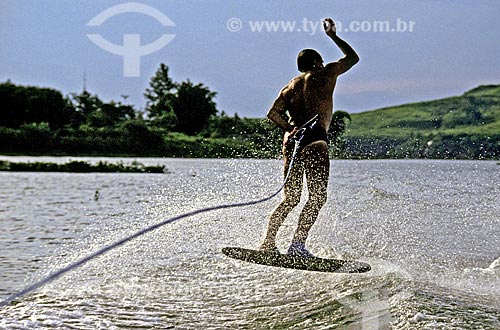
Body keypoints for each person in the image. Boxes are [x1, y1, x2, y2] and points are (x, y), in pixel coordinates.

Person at [260, 18, 359, 257]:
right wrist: (333, 36)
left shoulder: (288, 88)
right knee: (317, 196)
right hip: (314, 137)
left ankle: (268, 243)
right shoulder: (325, 73)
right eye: (321, 61)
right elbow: (353, 58)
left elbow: (272, 114)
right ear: (316, 62)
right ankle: (296, 246)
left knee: (291, 198)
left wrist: (290, 128)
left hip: (292, 141)